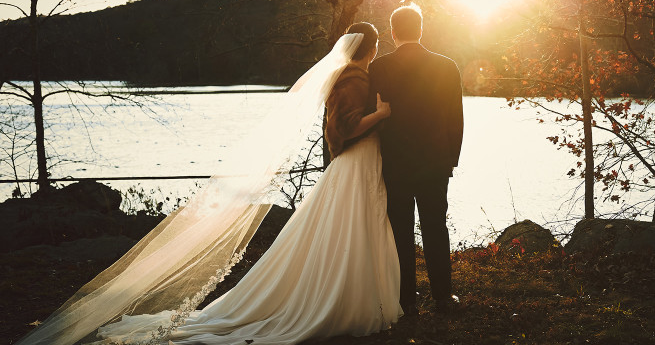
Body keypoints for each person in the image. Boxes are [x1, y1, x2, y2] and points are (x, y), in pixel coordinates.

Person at [16, 24, 403, 345]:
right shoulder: (355, 77)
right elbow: (343, 128)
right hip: (355, 164)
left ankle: (350, 297)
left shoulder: (350, 75)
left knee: (350, 231)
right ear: (370, 49)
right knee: (352, 229)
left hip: (359, 165)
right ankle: (341, 301)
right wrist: (382, 114)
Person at [369, 4, 464, 316]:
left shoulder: (379, 68)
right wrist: (451, 158)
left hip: (394, 162)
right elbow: (456, 118)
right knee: (436, 227)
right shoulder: (447, 66)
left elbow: (374, 114)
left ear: (393, 33)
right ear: (421, 30)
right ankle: (442, 297)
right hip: (435, 162)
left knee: (400, 230)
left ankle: (405, 301)